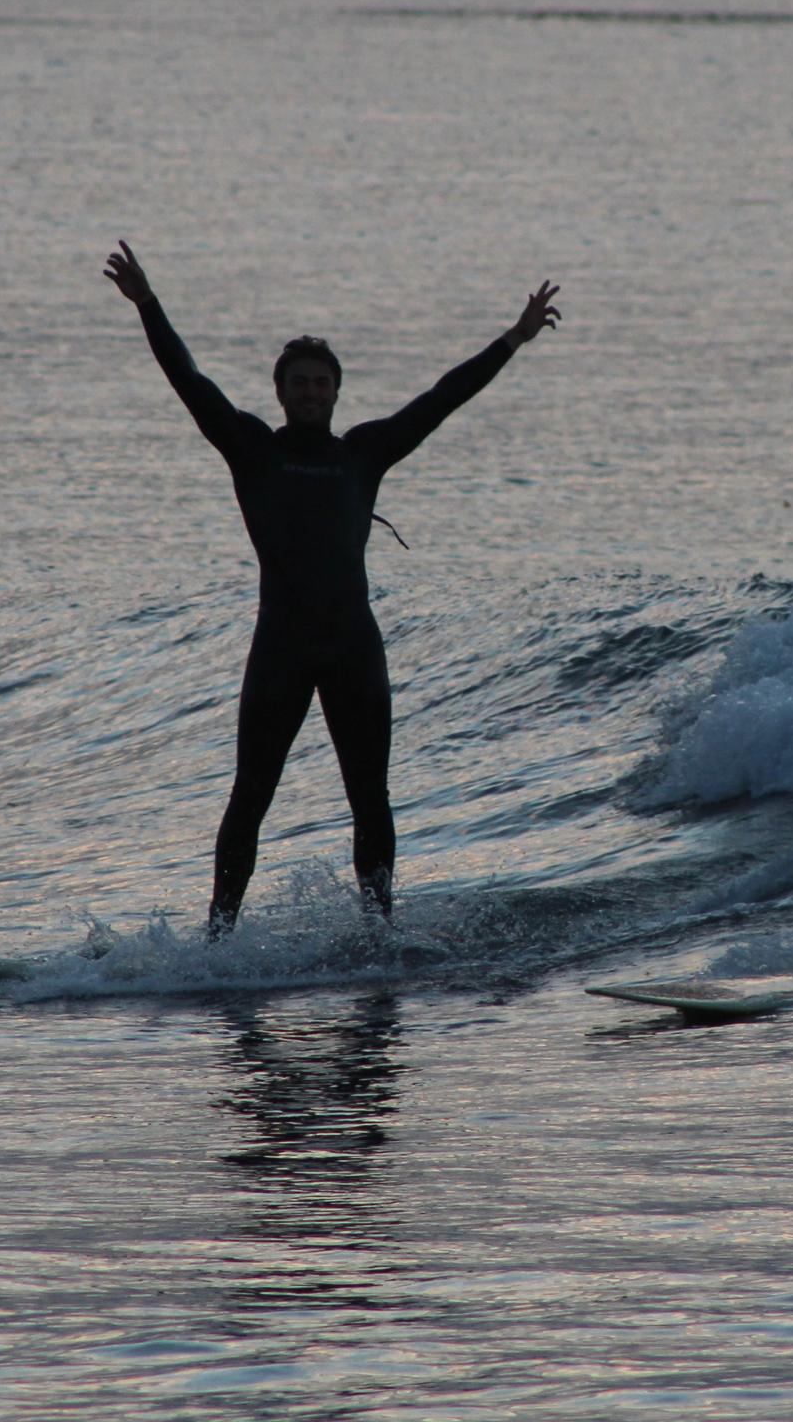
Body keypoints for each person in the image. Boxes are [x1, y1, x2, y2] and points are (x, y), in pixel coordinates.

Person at [103, 239, 562, 936]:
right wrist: (148, 305)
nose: (311, 392)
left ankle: (378, 932)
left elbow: (443, 397)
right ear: (281, 393)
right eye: (299, 383)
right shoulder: (253, 449)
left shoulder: (365, 453)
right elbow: (189, 379)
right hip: (281, 648)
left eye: (322, 383)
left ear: (337, 392)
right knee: (250, 796)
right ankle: (218, 940)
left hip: (353, 648)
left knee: (369, 799)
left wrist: (514, 339)